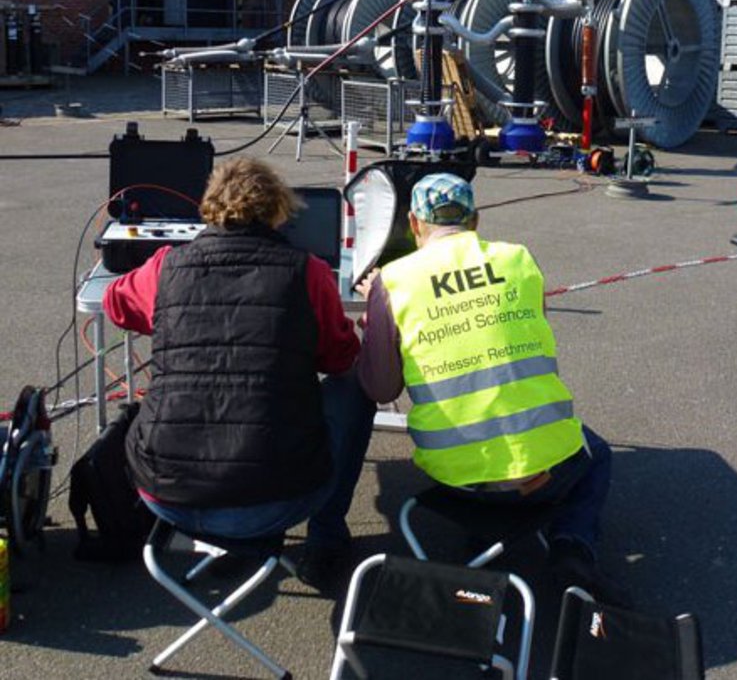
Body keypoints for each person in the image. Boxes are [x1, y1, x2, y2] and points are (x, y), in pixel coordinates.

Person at [103, 156, 374, 586]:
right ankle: (324, 538)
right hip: (278, 497)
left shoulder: (166, 267)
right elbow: (340, 359)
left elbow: (115, 304)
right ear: (278, 212)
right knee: (354, 389)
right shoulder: (311, 272)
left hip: (167, 495)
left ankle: (237, 537)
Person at [357, 172, 625, 602]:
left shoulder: (394, 280)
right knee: (597, 455)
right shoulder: (519, 259)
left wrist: (378, 320)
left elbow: (380, 386)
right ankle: (573, 547)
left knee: (479, 455)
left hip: (457, 478)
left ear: (413, 223)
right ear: (476, 220)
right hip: (550, 468)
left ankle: (481, 544)